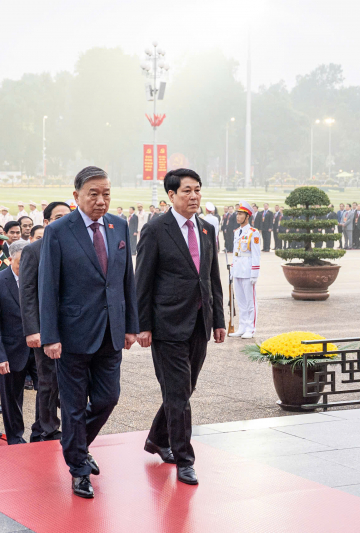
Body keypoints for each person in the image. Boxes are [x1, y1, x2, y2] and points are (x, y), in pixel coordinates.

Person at [39, 166, 138, 499]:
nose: (101, 200)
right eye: (93, 193)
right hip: (72, 335)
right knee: (74, 406)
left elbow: (127, 281)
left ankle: (77, 445)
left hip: (111, 332)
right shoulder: (58, 231)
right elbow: (47, 286)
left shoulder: (120, 226)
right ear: (76, 195)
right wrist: (49, 335)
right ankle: (79, 469)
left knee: (109, 398)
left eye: (106, 193)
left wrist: (131, 327)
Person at [135, 168, 226, 487]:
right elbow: (142, 280)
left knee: (185, 390)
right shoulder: (156, 229)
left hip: (200, 322)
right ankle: (184, 458)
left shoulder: (206, 228)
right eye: (187, 191)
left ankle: (158, 439)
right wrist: (142, 325)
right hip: (166, 325)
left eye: (197, 190)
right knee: (177, 393)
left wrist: (218, 320)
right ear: (171, 195)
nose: (194, 196)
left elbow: (212, 276)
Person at [20, 201, 71, 443]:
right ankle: (49, 428)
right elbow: (27, 292)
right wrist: (32, 329)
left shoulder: (77, 246)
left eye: (67, 216)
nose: (64, 220)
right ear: (47, 222)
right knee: (48, 382)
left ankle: (67, 424)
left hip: (75, 327)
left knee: (75, 381)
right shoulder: (33, 250)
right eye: (58, 216)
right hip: (46, 328)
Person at [0, 239, 34, 444]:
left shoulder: (39, 278)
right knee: (11, 398)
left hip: (39, 349)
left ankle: (43, 431)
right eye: (20, 263)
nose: (25, 268)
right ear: (9, 260)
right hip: (11, 350)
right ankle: (15, 438)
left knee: (48, 391)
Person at [229, 201, 261, 339]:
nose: (238, 216)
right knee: (241, 301)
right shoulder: (237, 232)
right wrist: (232, 270)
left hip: (248, 271)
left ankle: (251, 328)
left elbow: (256, 254)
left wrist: (254, 273)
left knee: (250, 302)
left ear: (247, 216)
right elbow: (235, 252)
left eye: (241, 214)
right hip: (238, 270)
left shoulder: (253, 233)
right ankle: (242, 326)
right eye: (237, 213)